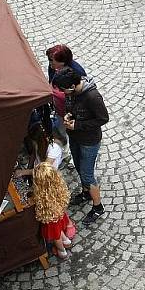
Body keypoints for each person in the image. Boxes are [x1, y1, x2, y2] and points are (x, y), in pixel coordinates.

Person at [53, 67, 109, 225]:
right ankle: (86, 193)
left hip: (89, 141)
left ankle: (98, 207)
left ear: (72, 86)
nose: (64, 93)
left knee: (87, 174)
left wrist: (77, 125)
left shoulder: (92, 97)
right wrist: (68, 115)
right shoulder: (71, 93)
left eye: (64, 90)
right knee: (78, 165)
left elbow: (103, 119)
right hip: (75, 137)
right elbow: (70, 108)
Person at [33, 162, 73, 260]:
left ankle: (62, 251)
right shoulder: (58, 187)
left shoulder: (42, 196)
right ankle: (67, 242)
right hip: (59, 214)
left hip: (51, 220)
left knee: (56, 237)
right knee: (59, 230)